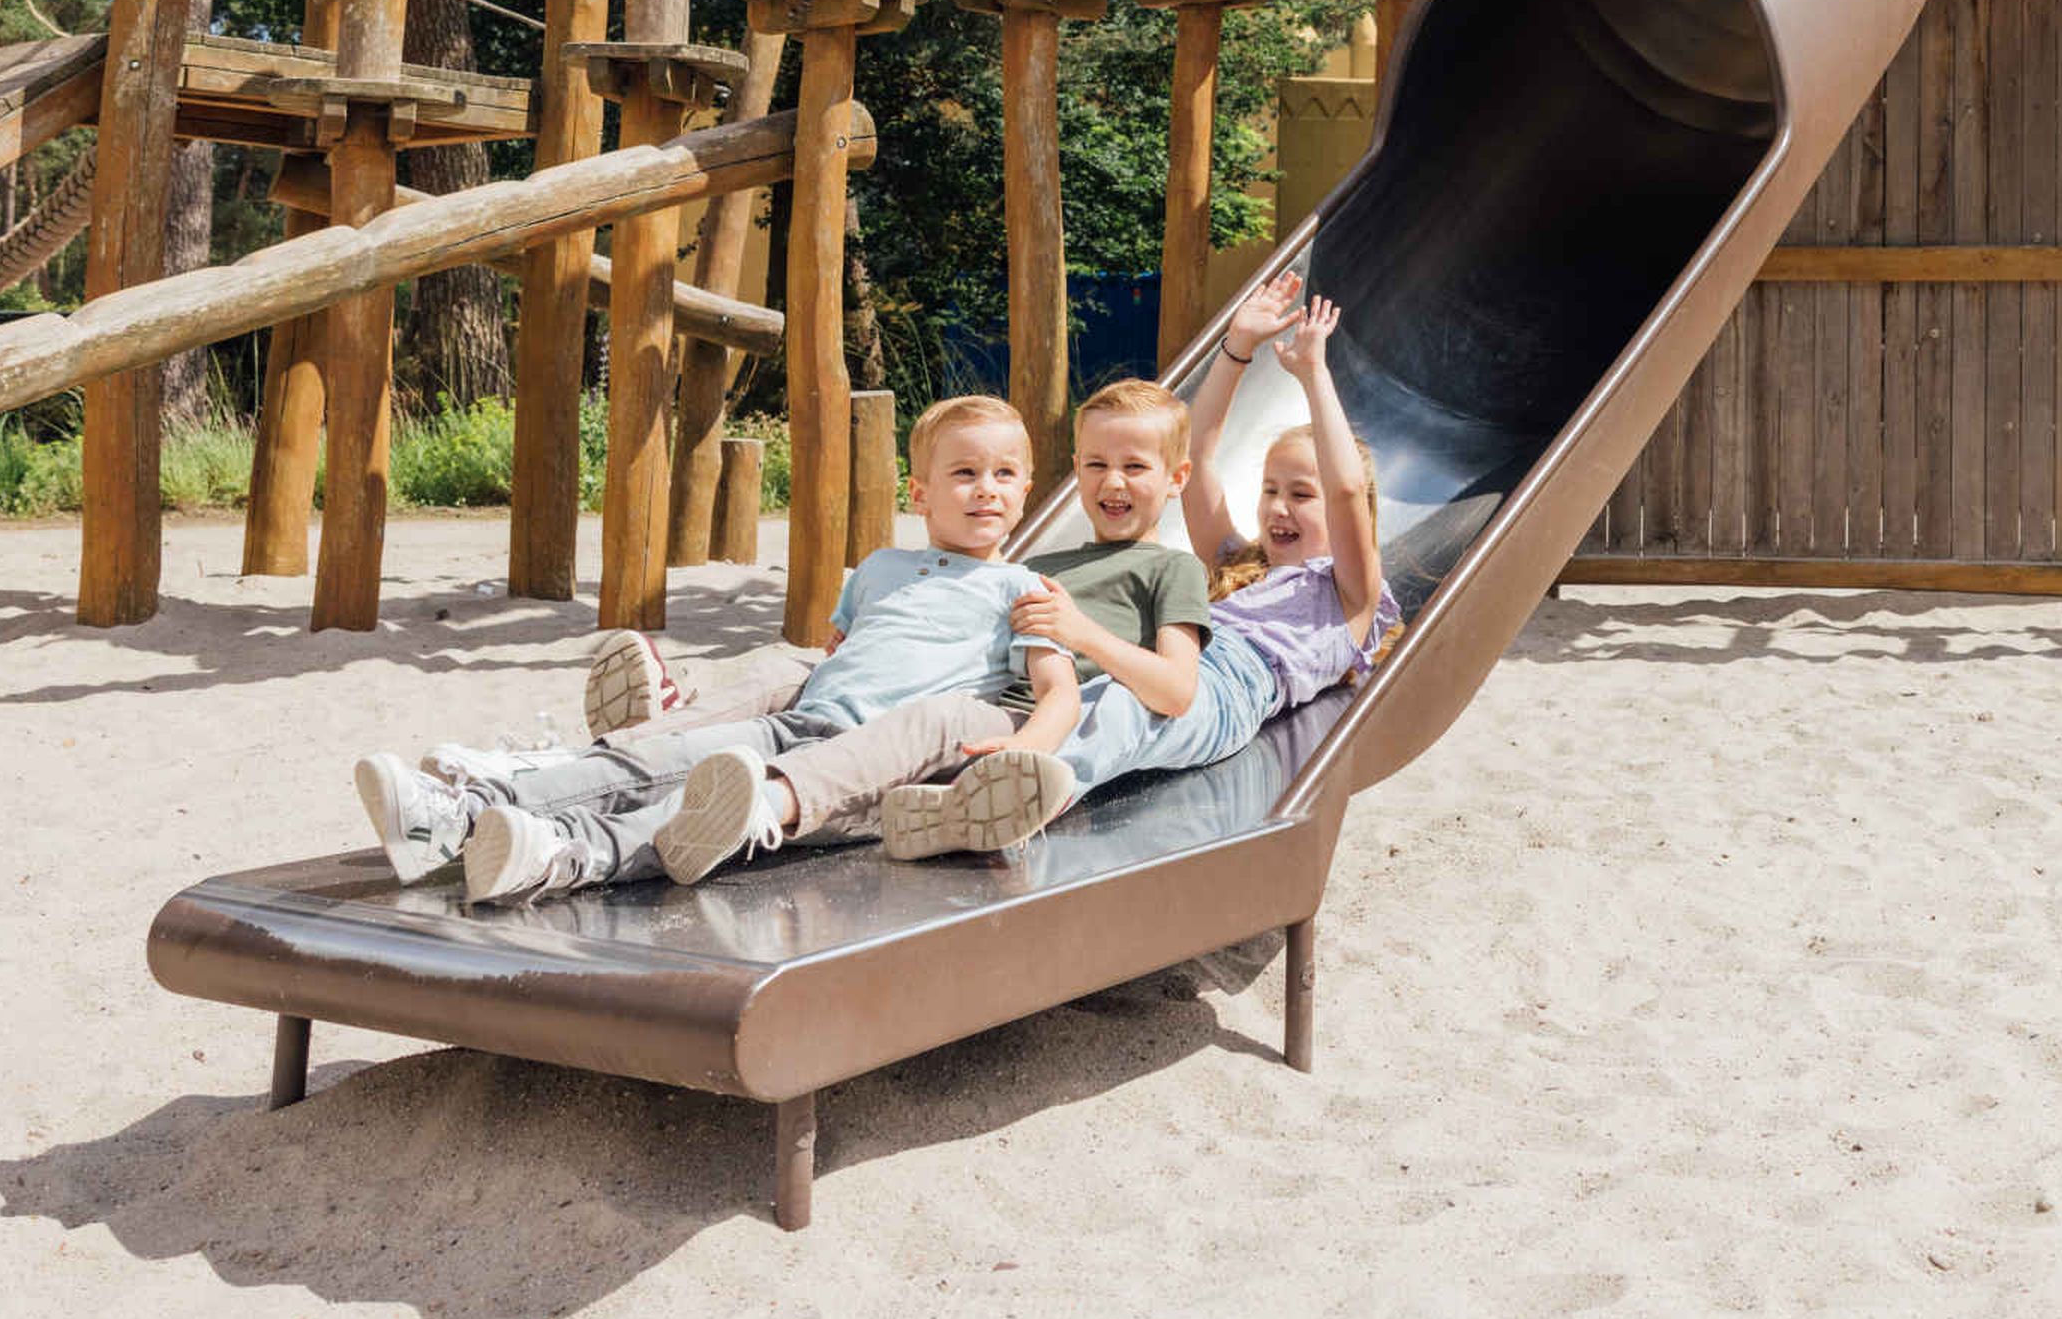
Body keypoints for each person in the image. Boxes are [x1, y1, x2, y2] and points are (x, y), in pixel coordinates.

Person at [351, 394, 1076, 906]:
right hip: (800, 722)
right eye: (965, 474)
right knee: (660, 763)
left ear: (1026, 491)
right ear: (919, 493)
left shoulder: (1025, 587)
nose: (987, 490)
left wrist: (1022, 754)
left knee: (709, 808)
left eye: (1004, 475)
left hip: (863, 768)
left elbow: (1058, 691)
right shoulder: (879, 568)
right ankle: (462, 814)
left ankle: (565, 853)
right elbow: (841, 651)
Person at [879, 271, 1392, 861]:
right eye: (1270, 489)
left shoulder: (1350, 596)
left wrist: (1313, 373)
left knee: (1124, 710)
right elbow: (1197, 456)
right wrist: (1237, 346)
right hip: (1170, 664)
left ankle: (1024, 800)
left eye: (1301, 495)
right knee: (1088, 698)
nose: (1278, 507)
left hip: (1230, 692)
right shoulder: (1237, 561)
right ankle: (970, 786)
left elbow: (1345, 489)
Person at [640, 378, 1215, 885]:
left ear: (1177, 478)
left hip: (1006, 716)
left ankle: (823, 799)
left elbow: (1176, 691)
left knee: (912, 723)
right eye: (1095, 465)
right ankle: (666, 723)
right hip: (948, 681)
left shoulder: (1172, 568)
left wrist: (1082, 633)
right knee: (789, 668)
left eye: (1134, 467)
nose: (1112, 481)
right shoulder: (1039, 563)